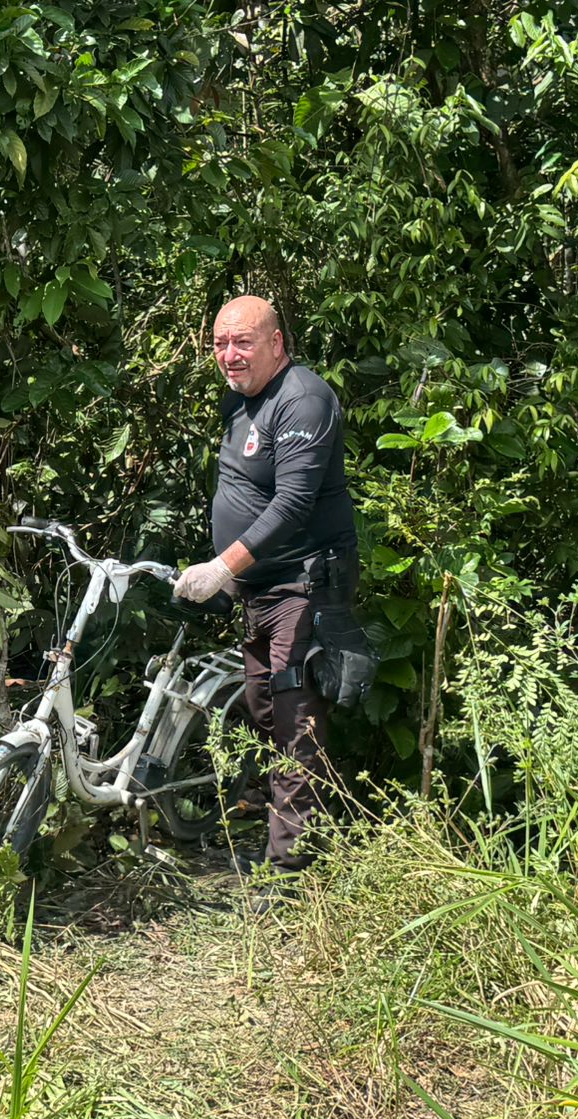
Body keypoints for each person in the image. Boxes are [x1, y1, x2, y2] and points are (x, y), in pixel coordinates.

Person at [173, 295, 358, 880]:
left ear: (277, 342)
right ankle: (324, 826)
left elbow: (294, 502)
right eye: (221, 343)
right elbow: (243, 490)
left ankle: (288, 875)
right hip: (259, 588)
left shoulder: (303, 398)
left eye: (243, 342)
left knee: (294, 723)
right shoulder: (241, 400)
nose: (230, 354)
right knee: (264, 713)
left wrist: (223, 566)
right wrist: (233, 576)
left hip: (304, 585)